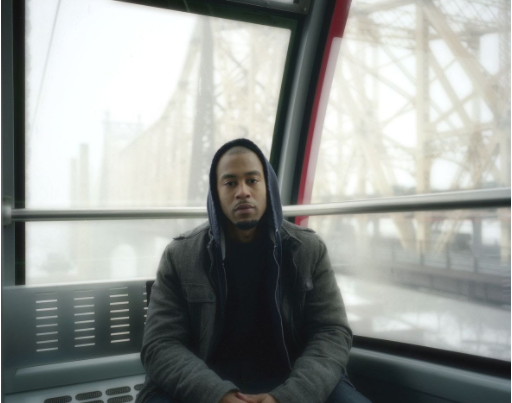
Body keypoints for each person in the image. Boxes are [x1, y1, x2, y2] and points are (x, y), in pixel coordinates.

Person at [137, 138, 371, 403]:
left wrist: (286, 398)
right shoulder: (181, 255)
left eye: (252, 180)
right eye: (230, 183)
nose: (242, 192)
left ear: (267, 187)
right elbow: (160, 344)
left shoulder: (307, 249)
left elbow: (331, 332)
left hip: (291, 376)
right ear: (215, 194)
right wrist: (218, 395)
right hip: (203, 380)